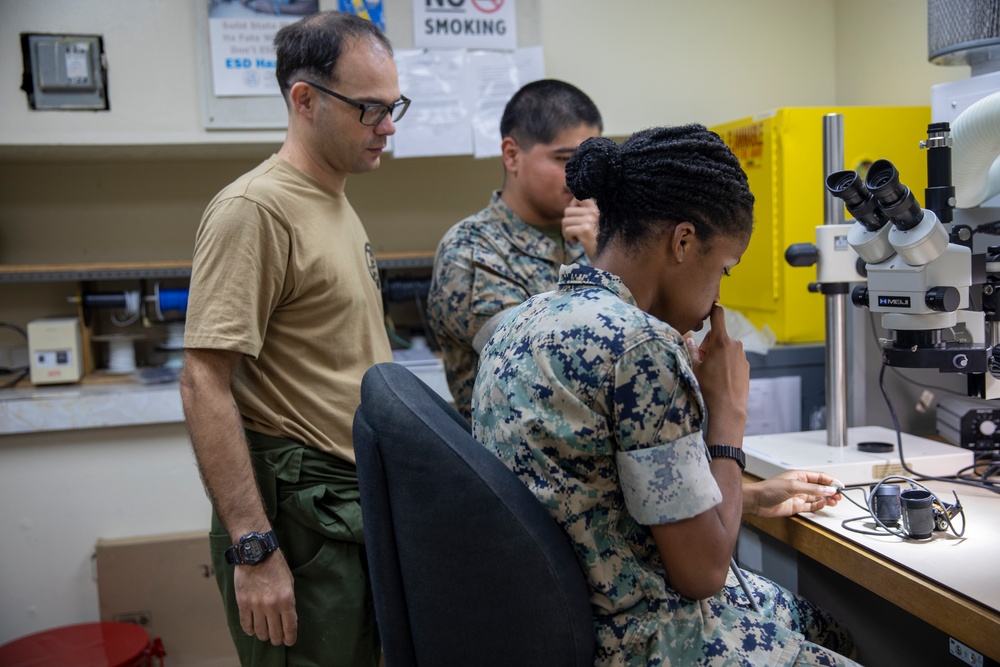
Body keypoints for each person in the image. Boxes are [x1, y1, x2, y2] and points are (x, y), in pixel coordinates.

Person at [472, 125, 861, 666]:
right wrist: (727, 417)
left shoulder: (527, 317)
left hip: (562, 622)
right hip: (642, 642)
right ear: (682, 242)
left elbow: (601, 496)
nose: (716, 299)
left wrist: (742, 498)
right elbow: (703, 574)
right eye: (722, 270)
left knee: (822, 626)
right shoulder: (640, 346)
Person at [180, 11, 408, 667]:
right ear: (303, 100)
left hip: (352, 501)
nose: (388, 127)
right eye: (370, 109)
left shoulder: (333, 196)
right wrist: (255, 548)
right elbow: (203, 381)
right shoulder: (254, 210)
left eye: (394, 107)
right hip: (301, 521)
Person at [426, 79, 603, 420]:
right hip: (513, 460)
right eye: (564, 158)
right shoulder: (471, 250)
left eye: (588, 160)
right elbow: (542, 367)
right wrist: (609, 267)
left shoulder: (596, 234)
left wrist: (605, 249)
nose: (580, 176)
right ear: (511, 155)